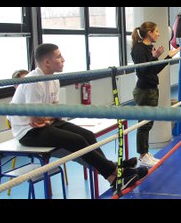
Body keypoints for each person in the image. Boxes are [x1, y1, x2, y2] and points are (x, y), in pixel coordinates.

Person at [8, 43, 146, 192]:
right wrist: (48, 117)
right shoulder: (33, 81)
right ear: (47, 62)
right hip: (27, 132)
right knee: (77, 141)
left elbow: (54, 111)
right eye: (59, 56)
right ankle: (117, 172)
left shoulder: (54, 80)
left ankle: (115, 176)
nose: (63, 59)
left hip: (47, 124)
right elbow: (34, 120)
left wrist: (47, 118)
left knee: (87, 135)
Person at [131, 21, 180, 167]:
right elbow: (143, 71)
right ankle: (142, 156)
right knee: (144, 124)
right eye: (157, 31)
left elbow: (153, 70)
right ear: (149, 33)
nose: (159, 34)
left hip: (151, 88)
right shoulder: (139, 49)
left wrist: (168, 57)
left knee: (148, 123)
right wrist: (155, 57)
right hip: (145, 90)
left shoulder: (148, 48)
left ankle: (145, 154)